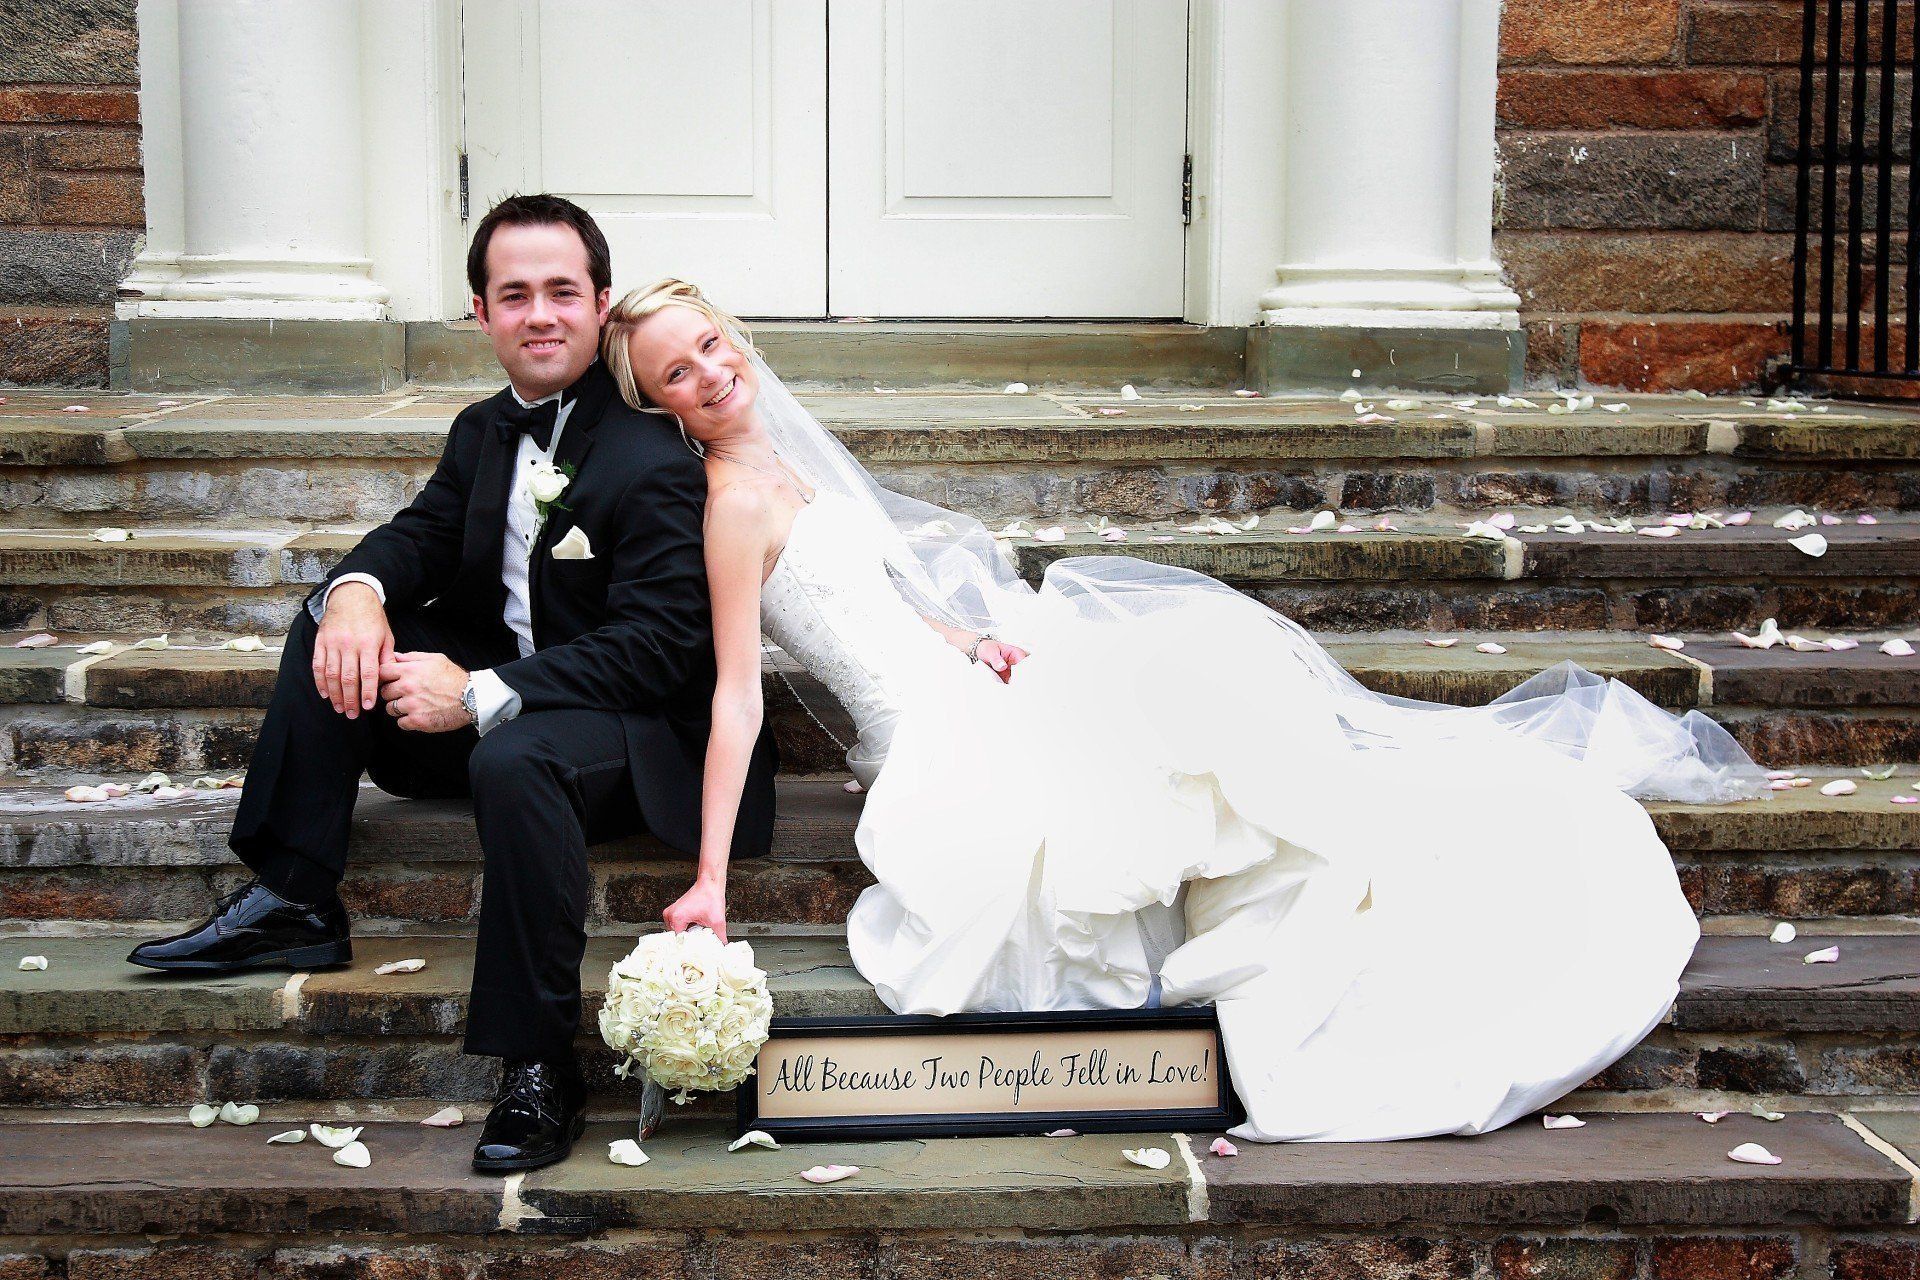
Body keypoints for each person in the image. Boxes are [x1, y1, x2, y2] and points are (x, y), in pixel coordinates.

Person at [605, 277, 1768, 1143]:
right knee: (1152, 741)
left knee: (1180, 687)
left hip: (967, 680)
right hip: (926, 742)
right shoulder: (728, 506)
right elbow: (741, 693)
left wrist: (967, 636)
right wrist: (710, 876)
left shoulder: (791, 469)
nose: (707, 373)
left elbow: (866, 598)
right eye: (676, 373)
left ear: (735, 333)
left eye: (709, 343)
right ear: (659, 403)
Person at [125, 199, 777, 1173]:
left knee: (518, 748)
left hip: (636, 735)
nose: (541, 313)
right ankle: (299, 896)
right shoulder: (482, 431)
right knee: (327, 621)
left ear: (600, 305)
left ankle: (537, 1066)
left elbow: (654, 648)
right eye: (515, 295)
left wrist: (477, 690)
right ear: (482, 313)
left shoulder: (651, 453)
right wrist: (355, 589)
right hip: (507, 704)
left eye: (563, 291)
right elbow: (421, 535)